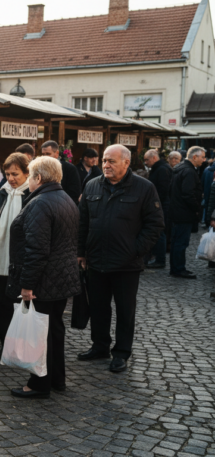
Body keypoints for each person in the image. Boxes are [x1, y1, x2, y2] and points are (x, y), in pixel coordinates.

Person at [77, 145, 164, 373]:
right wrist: (81, 252)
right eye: (104, 160)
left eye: (111, 161)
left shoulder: (144, 188)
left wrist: (136, 251)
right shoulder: (92, 185)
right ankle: (100, 346)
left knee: (125, 311)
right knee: (98, 308)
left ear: (126, 163)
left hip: (126, 264)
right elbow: (82, 223)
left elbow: (155, 225)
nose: (105, 165)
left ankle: (122, 353)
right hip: (96, 261)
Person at [6, 156, 80, 399]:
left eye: (30, 176)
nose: (28, 180)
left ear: (38, 177)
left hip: (45, 280)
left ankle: (39, 384)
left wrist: (27, 285)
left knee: (42, 333)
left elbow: (36, 250)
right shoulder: (65, 198)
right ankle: (57, 379)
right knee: (54, 330)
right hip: (60, 278)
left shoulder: (41, 202)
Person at [0, 153, 30, 357]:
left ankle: (23, 346)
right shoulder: (0, 193)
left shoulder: (32, 194)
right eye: (8, 173)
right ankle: (5, 346)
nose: (11, 178)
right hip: (1, 258)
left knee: (22, 306)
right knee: (3, 304)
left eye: (15, 174)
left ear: (27, 173)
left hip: (22, 260)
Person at [168, 146, 206, 278]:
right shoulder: (189, 171)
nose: (204, 160)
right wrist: (197, 208)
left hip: (177, 211)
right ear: (194, 157)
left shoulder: (180, 168)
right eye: (202, 157)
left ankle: (177, 268)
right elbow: (188, 193)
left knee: (177, 242)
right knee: (180, 242)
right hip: (183, 213)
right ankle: (178, 269)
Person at [144, 149, 173, 269]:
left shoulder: (162, 169)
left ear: (154, 158)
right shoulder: (161, 168)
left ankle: (160, 259)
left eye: (147, 159)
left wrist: (154, 203)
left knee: (160, 232)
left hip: (160, 205)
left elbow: (162, 190)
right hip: (160, 204)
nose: (145, 162)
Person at [201, 159, 215, 225]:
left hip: (207, 191)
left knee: (207, 206)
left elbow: (202, 182)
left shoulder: (206, 169)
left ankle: (205, 220)